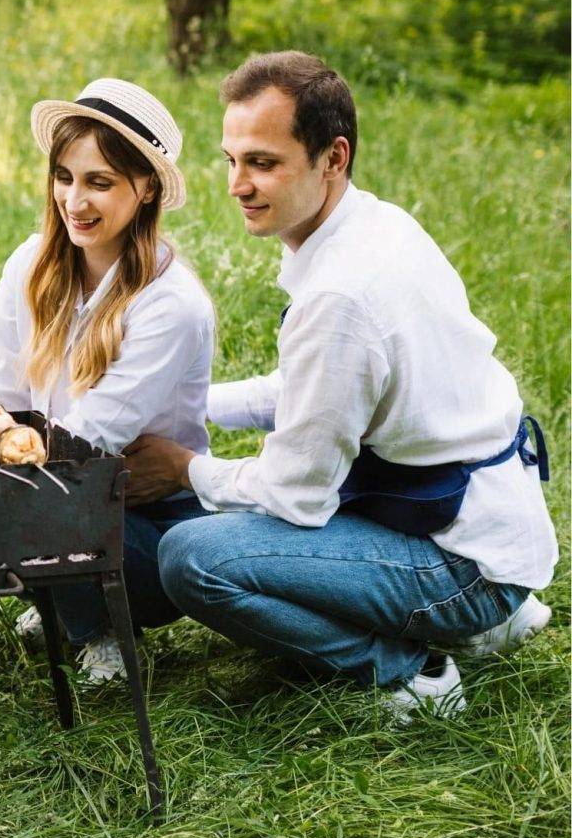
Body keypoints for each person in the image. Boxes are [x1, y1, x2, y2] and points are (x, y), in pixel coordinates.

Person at [125, 51, 556, 720]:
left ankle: (414, 673)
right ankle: (482, 620)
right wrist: (177, 403)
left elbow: (295, 494)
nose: (237, 184)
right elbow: (308, 393)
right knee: (222, 510)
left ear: (333, 158)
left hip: (463, 557)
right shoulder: (373, 225)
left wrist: (184, 467)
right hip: (484, 524)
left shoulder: (341, 295)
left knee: (193, 557)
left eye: (263, 163)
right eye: (230, 159)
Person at [0, 78, 215, 684]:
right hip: (50, 481)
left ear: (146, 188)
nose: (74, 200)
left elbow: (88, 441)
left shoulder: (171, 304)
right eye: (65, 177)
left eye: (99, 183)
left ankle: (100, 621)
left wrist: (2, 463)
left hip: (146, 518)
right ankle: (58, 593)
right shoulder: (31, 264)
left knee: (42, 498)